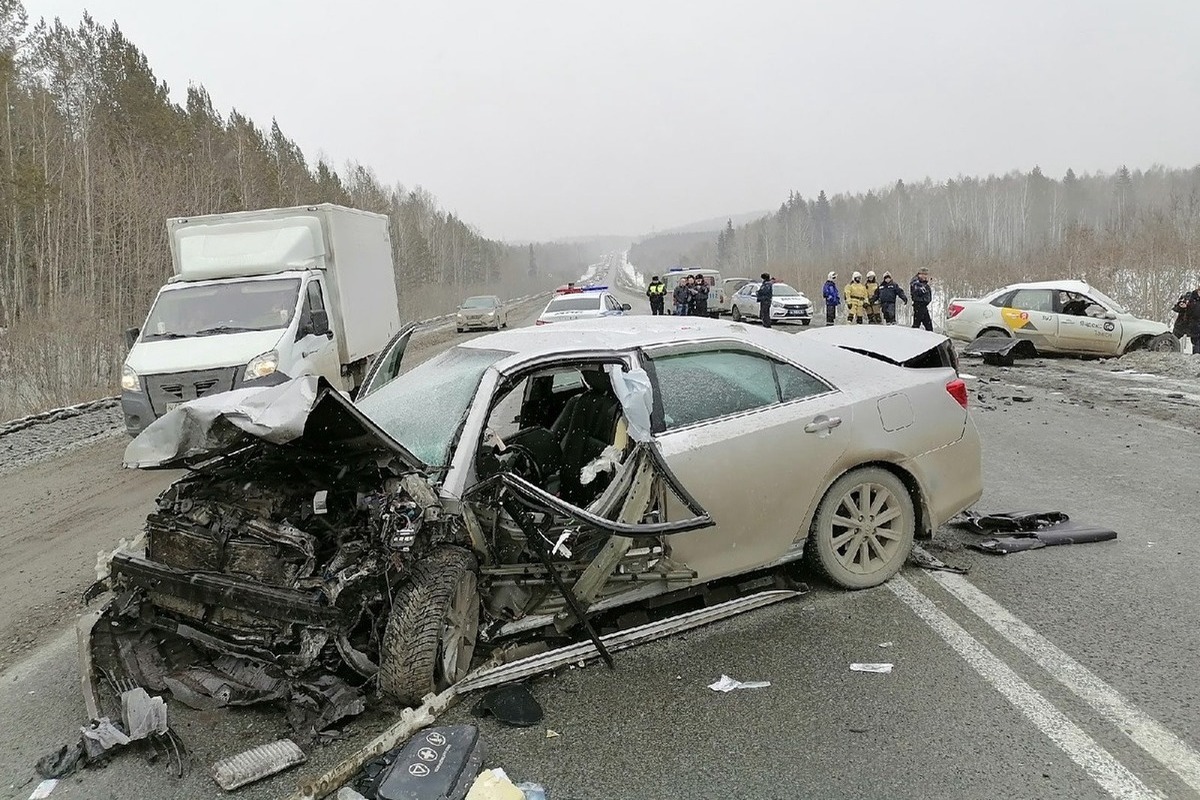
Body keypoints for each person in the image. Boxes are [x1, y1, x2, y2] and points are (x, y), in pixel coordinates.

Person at [1179, 284, 1200, 355]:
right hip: (1194, 326)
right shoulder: (1190, 297)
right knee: (1197, 345)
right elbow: (1179, 306)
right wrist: (1182, 306)